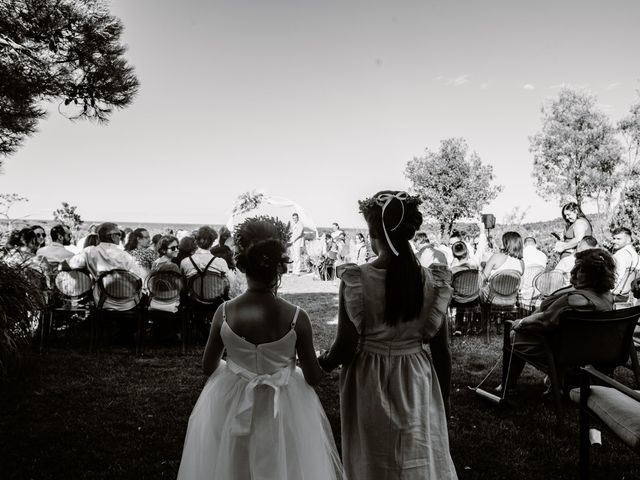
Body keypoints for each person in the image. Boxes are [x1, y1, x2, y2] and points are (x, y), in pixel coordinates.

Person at [177, 216, 344, 480]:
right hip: (287, 404)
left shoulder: (225, 313)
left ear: (243, 268)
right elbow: (313, 376)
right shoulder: (297, 317)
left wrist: (237, 370)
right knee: (285, 461)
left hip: (231, 399)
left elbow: (208, 366)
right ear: (279, 270)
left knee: (233, 461)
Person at [317, 190, 458, 479]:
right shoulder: (432, 280)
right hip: (416, 376)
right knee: (415, 451)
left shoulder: (357, 279)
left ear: (372, 234)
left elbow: (345, 345)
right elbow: (441, 351)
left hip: (369, 377)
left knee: (373, 456)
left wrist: (324, 362)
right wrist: (442, 401)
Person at [501, 248, 615, 391]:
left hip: (562, 352)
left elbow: (544, 321)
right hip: (592, 352)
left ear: (594, 275)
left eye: (579, 268)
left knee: (514, 335)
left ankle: (508, 385)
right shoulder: (607, 296)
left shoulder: (574, 300)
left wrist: (521, 322)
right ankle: (562, 379)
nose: (573, 271)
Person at [62, 222, 146, 311]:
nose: (120, 237)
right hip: (128, 303)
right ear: (113, 236)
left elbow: (65, 265)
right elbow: (138, 278)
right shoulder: (125, 256)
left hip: (103, 302)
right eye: (119, 234)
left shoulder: (89, 252)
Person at [610, 227, 639, 301]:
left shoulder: (620, 254)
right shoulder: (635, 254)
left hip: (616, 295)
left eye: (619, 239)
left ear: (628, 240)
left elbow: (618, 277)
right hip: (629, 295)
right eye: (613, 238)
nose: (614, 241)